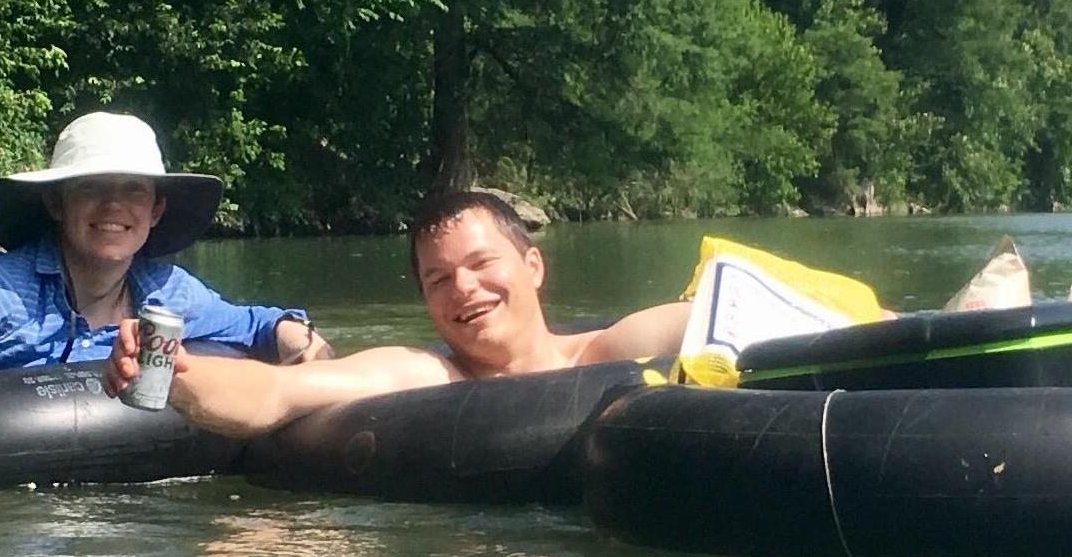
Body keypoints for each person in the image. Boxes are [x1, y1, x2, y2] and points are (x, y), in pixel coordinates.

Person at [102, 189, 691, 436]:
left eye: (483, 263)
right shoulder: (425, 375)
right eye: (438, 278)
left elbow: (721, 317)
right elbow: (277, 393)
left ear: (533, 266)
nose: (464, 288)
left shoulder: (612, 349)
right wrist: (177, 374)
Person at [0, 111, 332, 389]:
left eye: (134, 189)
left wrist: (299, 341)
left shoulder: (167, 291)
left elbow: (253, 324)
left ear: (154, 211)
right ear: (56, 204)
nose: (114, 205)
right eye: (92, 188)